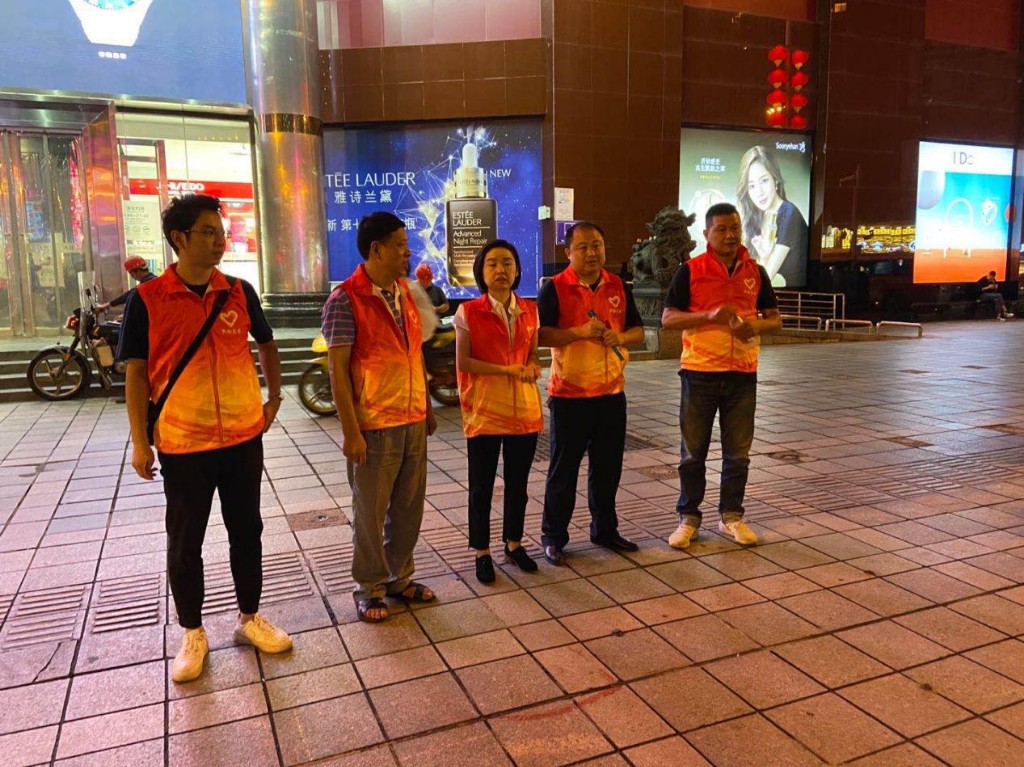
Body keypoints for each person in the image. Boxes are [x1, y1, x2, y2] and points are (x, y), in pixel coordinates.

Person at [117, 194, 291, 684]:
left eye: (221, 232)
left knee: (247, 529)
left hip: (242, 437)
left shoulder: (238, 290)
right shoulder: (147, 299)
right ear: (180, 238)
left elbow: (267, 343)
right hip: (183, 443)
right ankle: (192, 632)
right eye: (208, 232)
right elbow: (136, 373)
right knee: (185, 540)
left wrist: (274, 398)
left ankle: (250, 617)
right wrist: (139, 441)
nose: (219, 241)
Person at [322, 212, 438, 623]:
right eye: (401, 245)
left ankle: (398, 578)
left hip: (412, 418)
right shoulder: (345, 299)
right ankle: (369, 587)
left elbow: (414, 352)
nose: (408, 252)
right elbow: (337, 371)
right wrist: (350, 432)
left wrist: (426, 406)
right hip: (373, 425)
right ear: (377, 249)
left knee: (408, 508)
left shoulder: (405, 292)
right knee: (370, 515)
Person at [661, 202, 782, 549]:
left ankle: (732, 516)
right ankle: (688, 517)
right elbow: (668, 319)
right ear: (706, 234)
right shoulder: (690, 270)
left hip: (742, 374)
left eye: (735, 228)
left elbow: (774, 319)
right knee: (692, 453)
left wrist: (753, 326)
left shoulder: (756, 271)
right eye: (722, 229)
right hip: (699, 373)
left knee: (738, 454)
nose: (730, 235)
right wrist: (708, 316)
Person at [538, 221, 646, 565]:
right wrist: (579, 331)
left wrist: (621, 337)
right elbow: (542, 335)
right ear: (568, 252)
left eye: (596, 245)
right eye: (582, 247)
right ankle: (554, 537)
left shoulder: (618, 285)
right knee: (563, 471)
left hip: (611, 393)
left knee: (608, 468)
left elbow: (638, 331)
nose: (591, 253)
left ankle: (605, 530)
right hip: (569, 396)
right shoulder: (554, 287)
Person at [454, 240, 543, 583]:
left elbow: (532, 354)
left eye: (507, 263)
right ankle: (481, 551)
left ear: (517, 270)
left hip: (524, 412)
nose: (500, 270)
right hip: (485, 411)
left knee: (518, 484)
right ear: (481, 271)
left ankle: (514, 543)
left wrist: (532, 365)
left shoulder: (530, 310)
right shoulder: (468, 312)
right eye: (492, 264)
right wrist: (506, 370)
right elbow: (464, 362)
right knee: (482, 486)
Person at [736, 145, 807, 288]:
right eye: (752, 186)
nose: (759, 192)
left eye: (764, 181)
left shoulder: (789, 215)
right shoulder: (756, 217)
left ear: (775, 180)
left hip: (792, 298)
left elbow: (764, 278)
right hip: (766, 296)